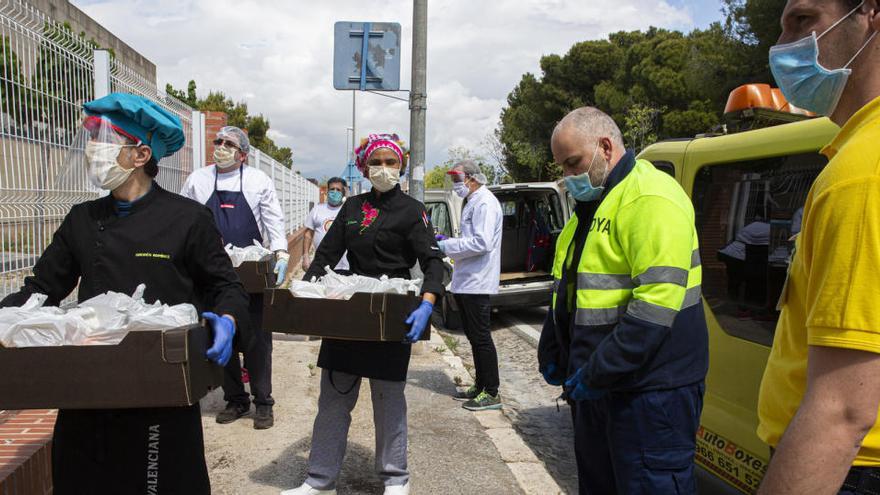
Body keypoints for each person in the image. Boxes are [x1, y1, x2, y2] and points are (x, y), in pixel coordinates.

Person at [0, 93, 250, 494]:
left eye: (103, 141)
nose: (91, 152)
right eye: (91, 141)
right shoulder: (82, 220)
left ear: (140, 154)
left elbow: (225, 286)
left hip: (160, 387)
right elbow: (41, 289)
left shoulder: (187, 219)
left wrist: (228, 319)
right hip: (88, 385)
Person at [537, 107, 709, 494]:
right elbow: (569, 286)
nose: (568, 177)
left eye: (573, 163)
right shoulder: (593, 205)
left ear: (605, 146)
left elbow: (655, 304)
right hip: (600, 386)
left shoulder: (651, 197)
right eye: (562, 167)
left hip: (650, 392)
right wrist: (554, 344)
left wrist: (599, 371)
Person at [757, 1, 880, 493]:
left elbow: (842, 412)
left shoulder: (861, 174)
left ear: (870, 14)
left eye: (803, 20)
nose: (782, 45)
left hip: (850, 472)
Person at [283, 133, 444, 495]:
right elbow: (326, 256)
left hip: (391, 311)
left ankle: (395, 477)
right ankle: (319, 479)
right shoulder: (352, 208)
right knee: (334, 398)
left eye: (390, 162)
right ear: (365, 166)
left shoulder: (412, 210)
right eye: (377, 162)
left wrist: (428, 303)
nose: (383, 169)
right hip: (351, 309)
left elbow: (433, 260)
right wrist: (306, 297)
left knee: (388, 401)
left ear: (400, 165)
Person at [181, 125, 288, 430]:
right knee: (221, 337)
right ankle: (235, 399)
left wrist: (281, 253)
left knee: (256, 341)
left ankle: (263, 401)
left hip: (249, 274)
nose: (221, 147)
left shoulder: (258, 180)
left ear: (243, 154)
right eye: (218, 141)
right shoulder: (198, 180)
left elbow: (273, 220)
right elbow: (184, 220)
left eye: (229, 144)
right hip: (211, 273)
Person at [437, 160, 504, 411]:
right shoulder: (473, 201)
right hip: (467, 280)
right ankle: (481, 385)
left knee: (482, 338)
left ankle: (492, 391)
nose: (456, 185)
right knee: (474, 338)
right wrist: (450, 240)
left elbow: (482, 242)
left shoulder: (485, 202)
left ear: (472, 178)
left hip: (478, 281)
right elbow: (470, 239)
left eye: (458, 179)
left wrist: (447, 246)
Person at [303, 177, 350, 273]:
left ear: (343, 192)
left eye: (338, 190)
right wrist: (306, 256)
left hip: (345, 266)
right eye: (332, 189)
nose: (335, 192)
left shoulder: (349, 210)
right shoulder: (317, 210)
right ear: (327, 191)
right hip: (322, 264)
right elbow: (308, 234)